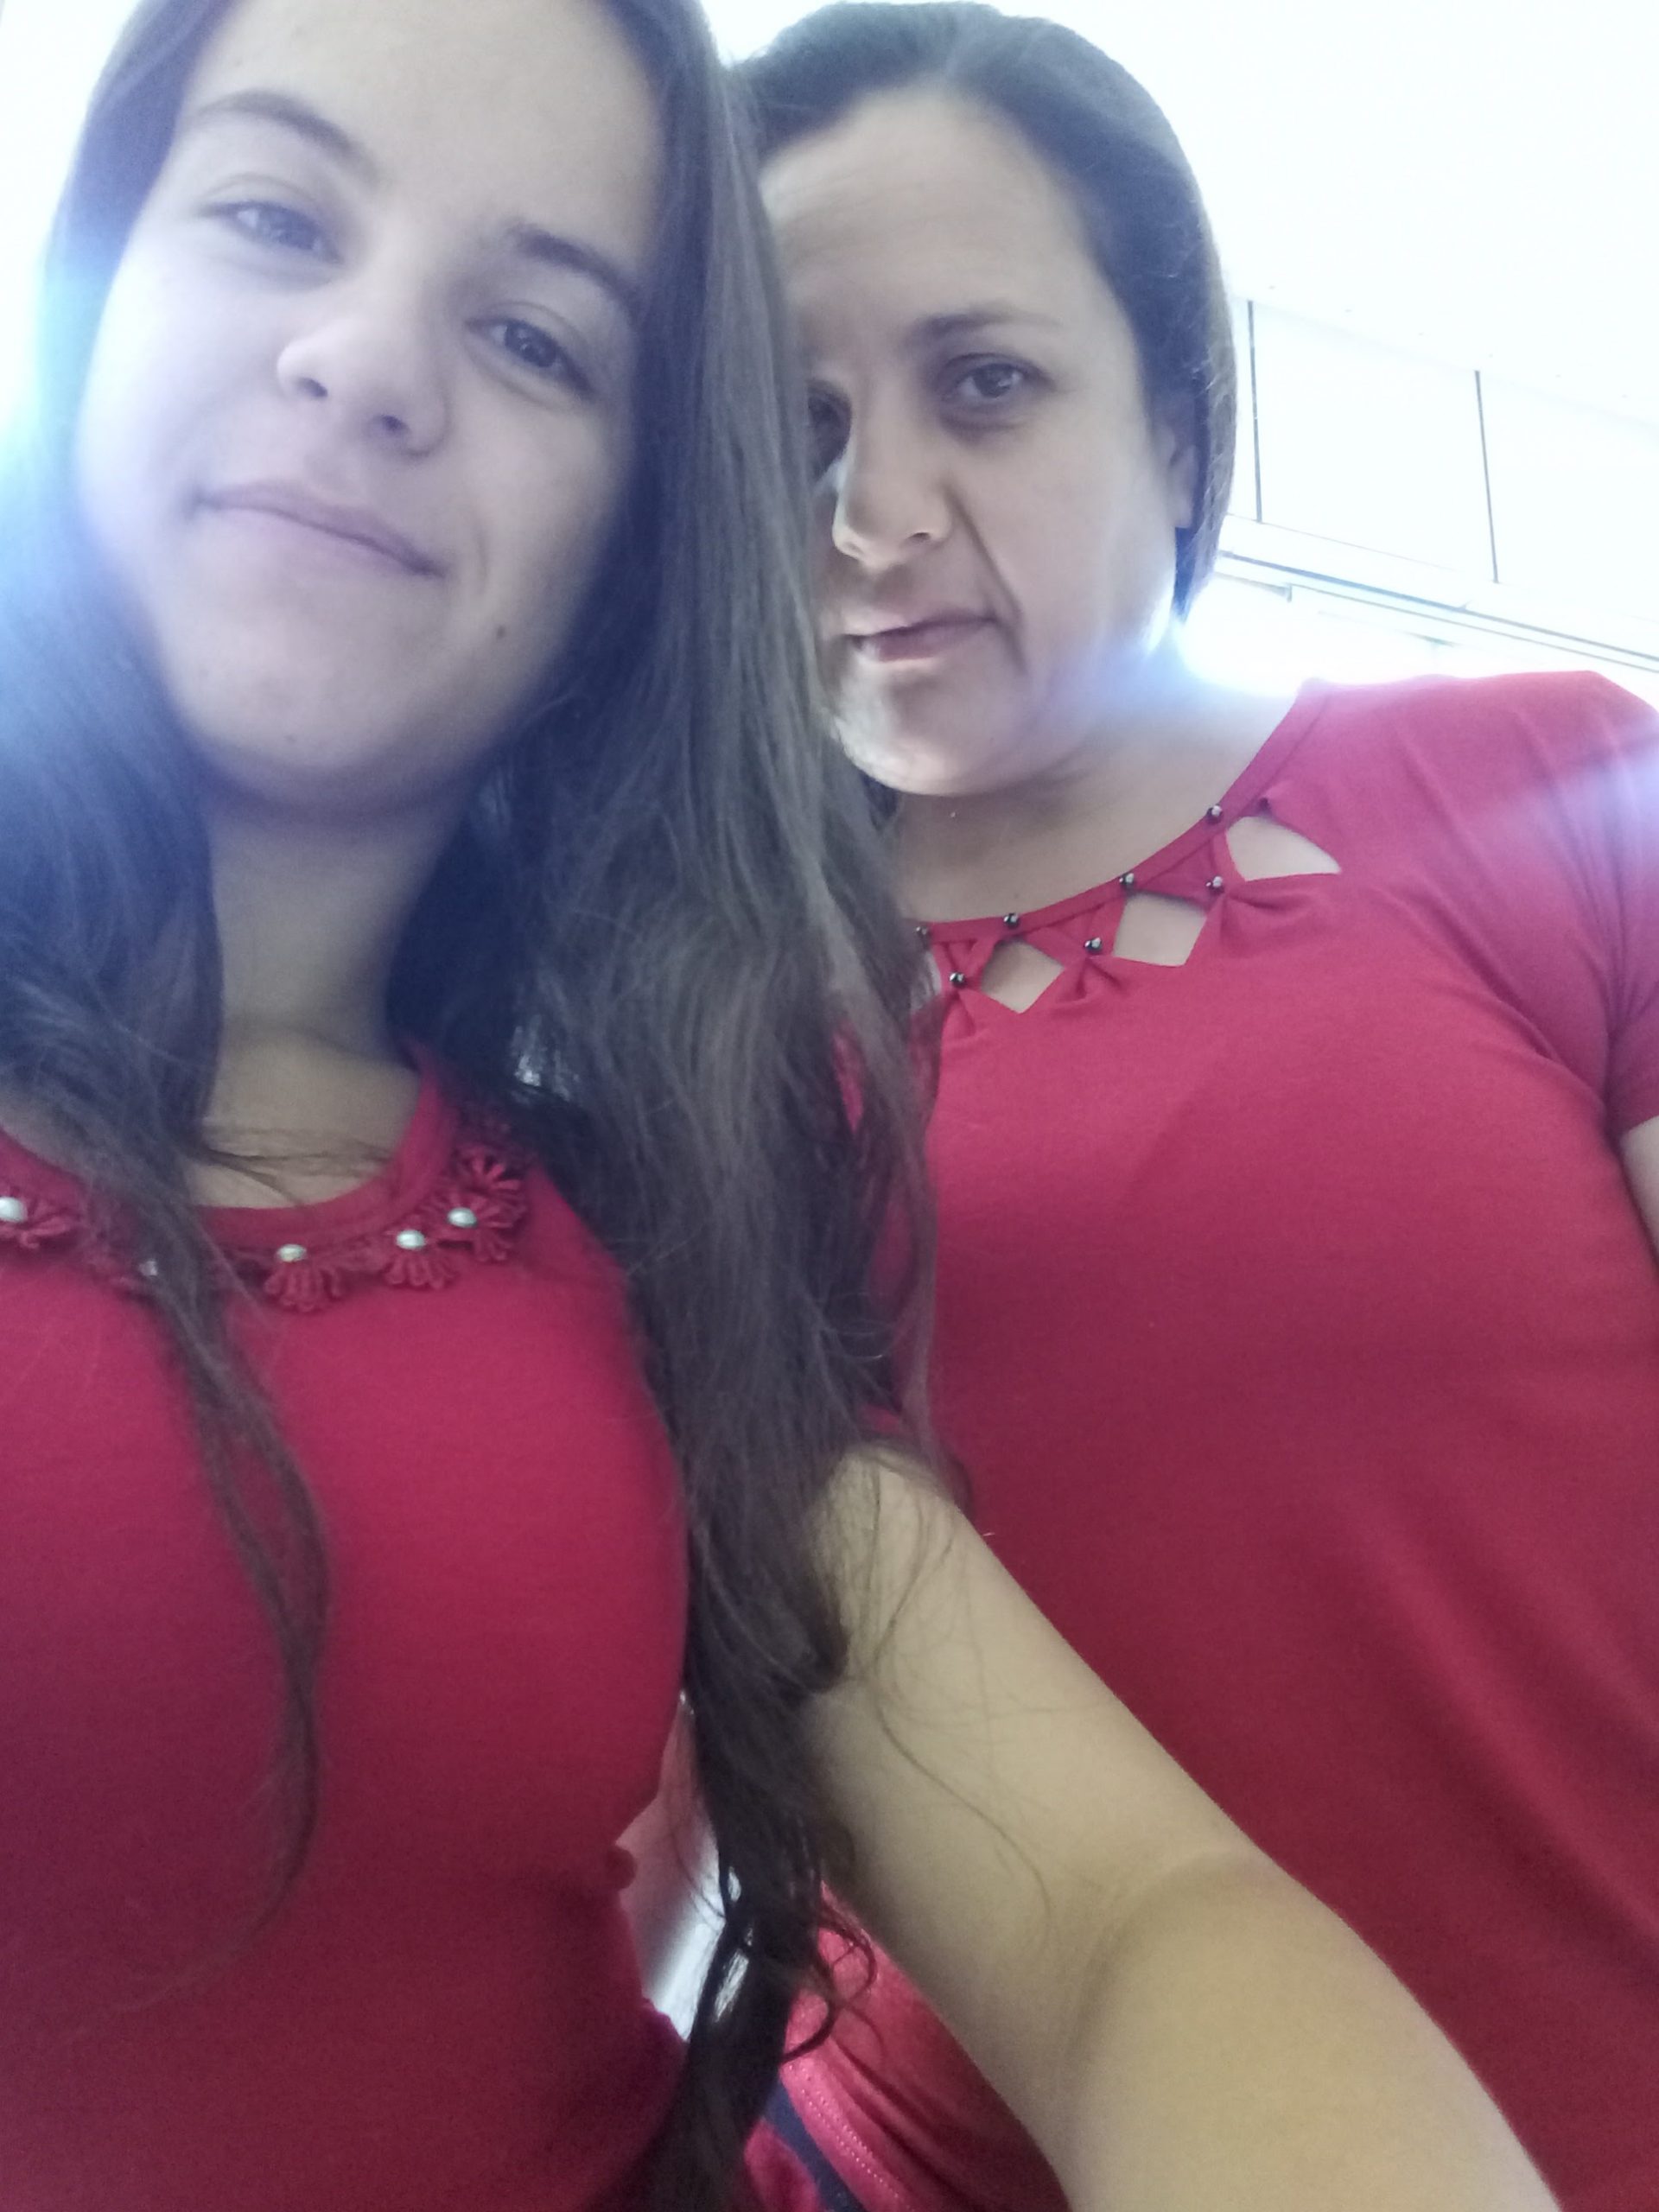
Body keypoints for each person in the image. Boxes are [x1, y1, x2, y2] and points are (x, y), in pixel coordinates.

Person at [0, 0, 1566, 2209]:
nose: (364, 360)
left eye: (538, 338)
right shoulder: (729, 1086)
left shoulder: (647, 1204)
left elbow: (1126, 1914)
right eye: (271, 214)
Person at [731, 9, 1659, 2211]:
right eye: (793, 424)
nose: (872, 513)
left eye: (984, 383)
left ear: (1175, 418)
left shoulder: (1549, 783)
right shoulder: (680, 1018)